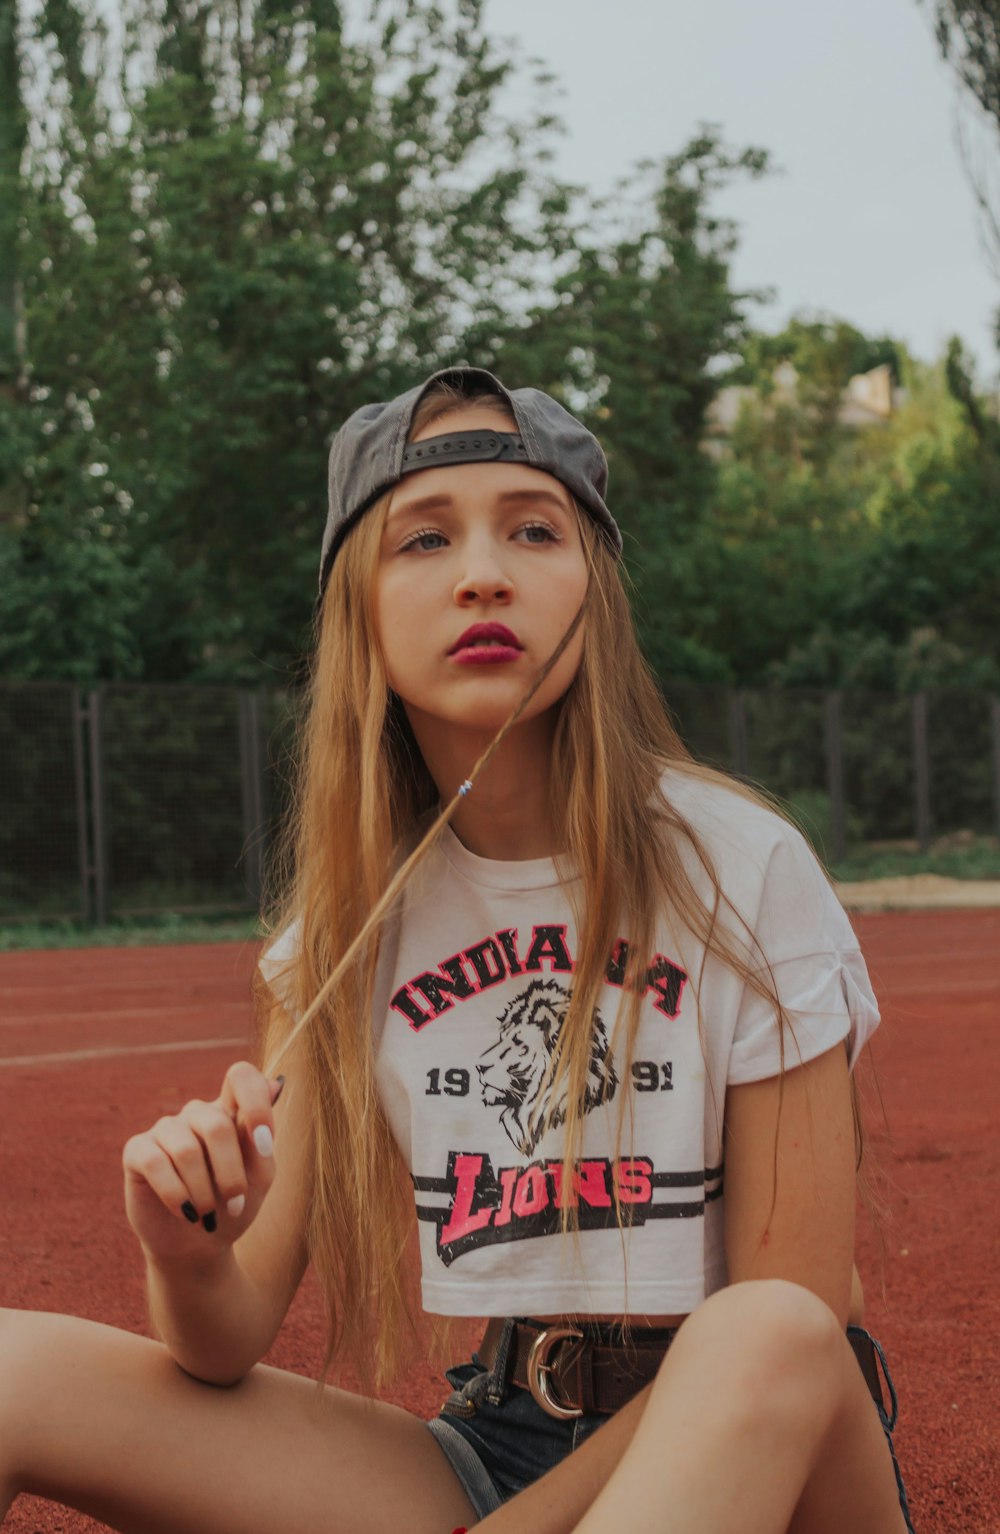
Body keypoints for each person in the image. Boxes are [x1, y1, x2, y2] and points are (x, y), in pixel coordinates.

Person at [0, 367, 915, 1534]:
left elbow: (801, 1315)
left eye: (533, 529)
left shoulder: (744, 871)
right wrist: (185, 1247)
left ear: (593, 589)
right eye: (422, 539)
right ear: (359, 613)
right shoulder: (339, 936)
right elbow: (222, 1343)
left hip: (762, 1456)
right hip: (492, 1443)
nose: (484, 571)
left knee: (765, 1326)